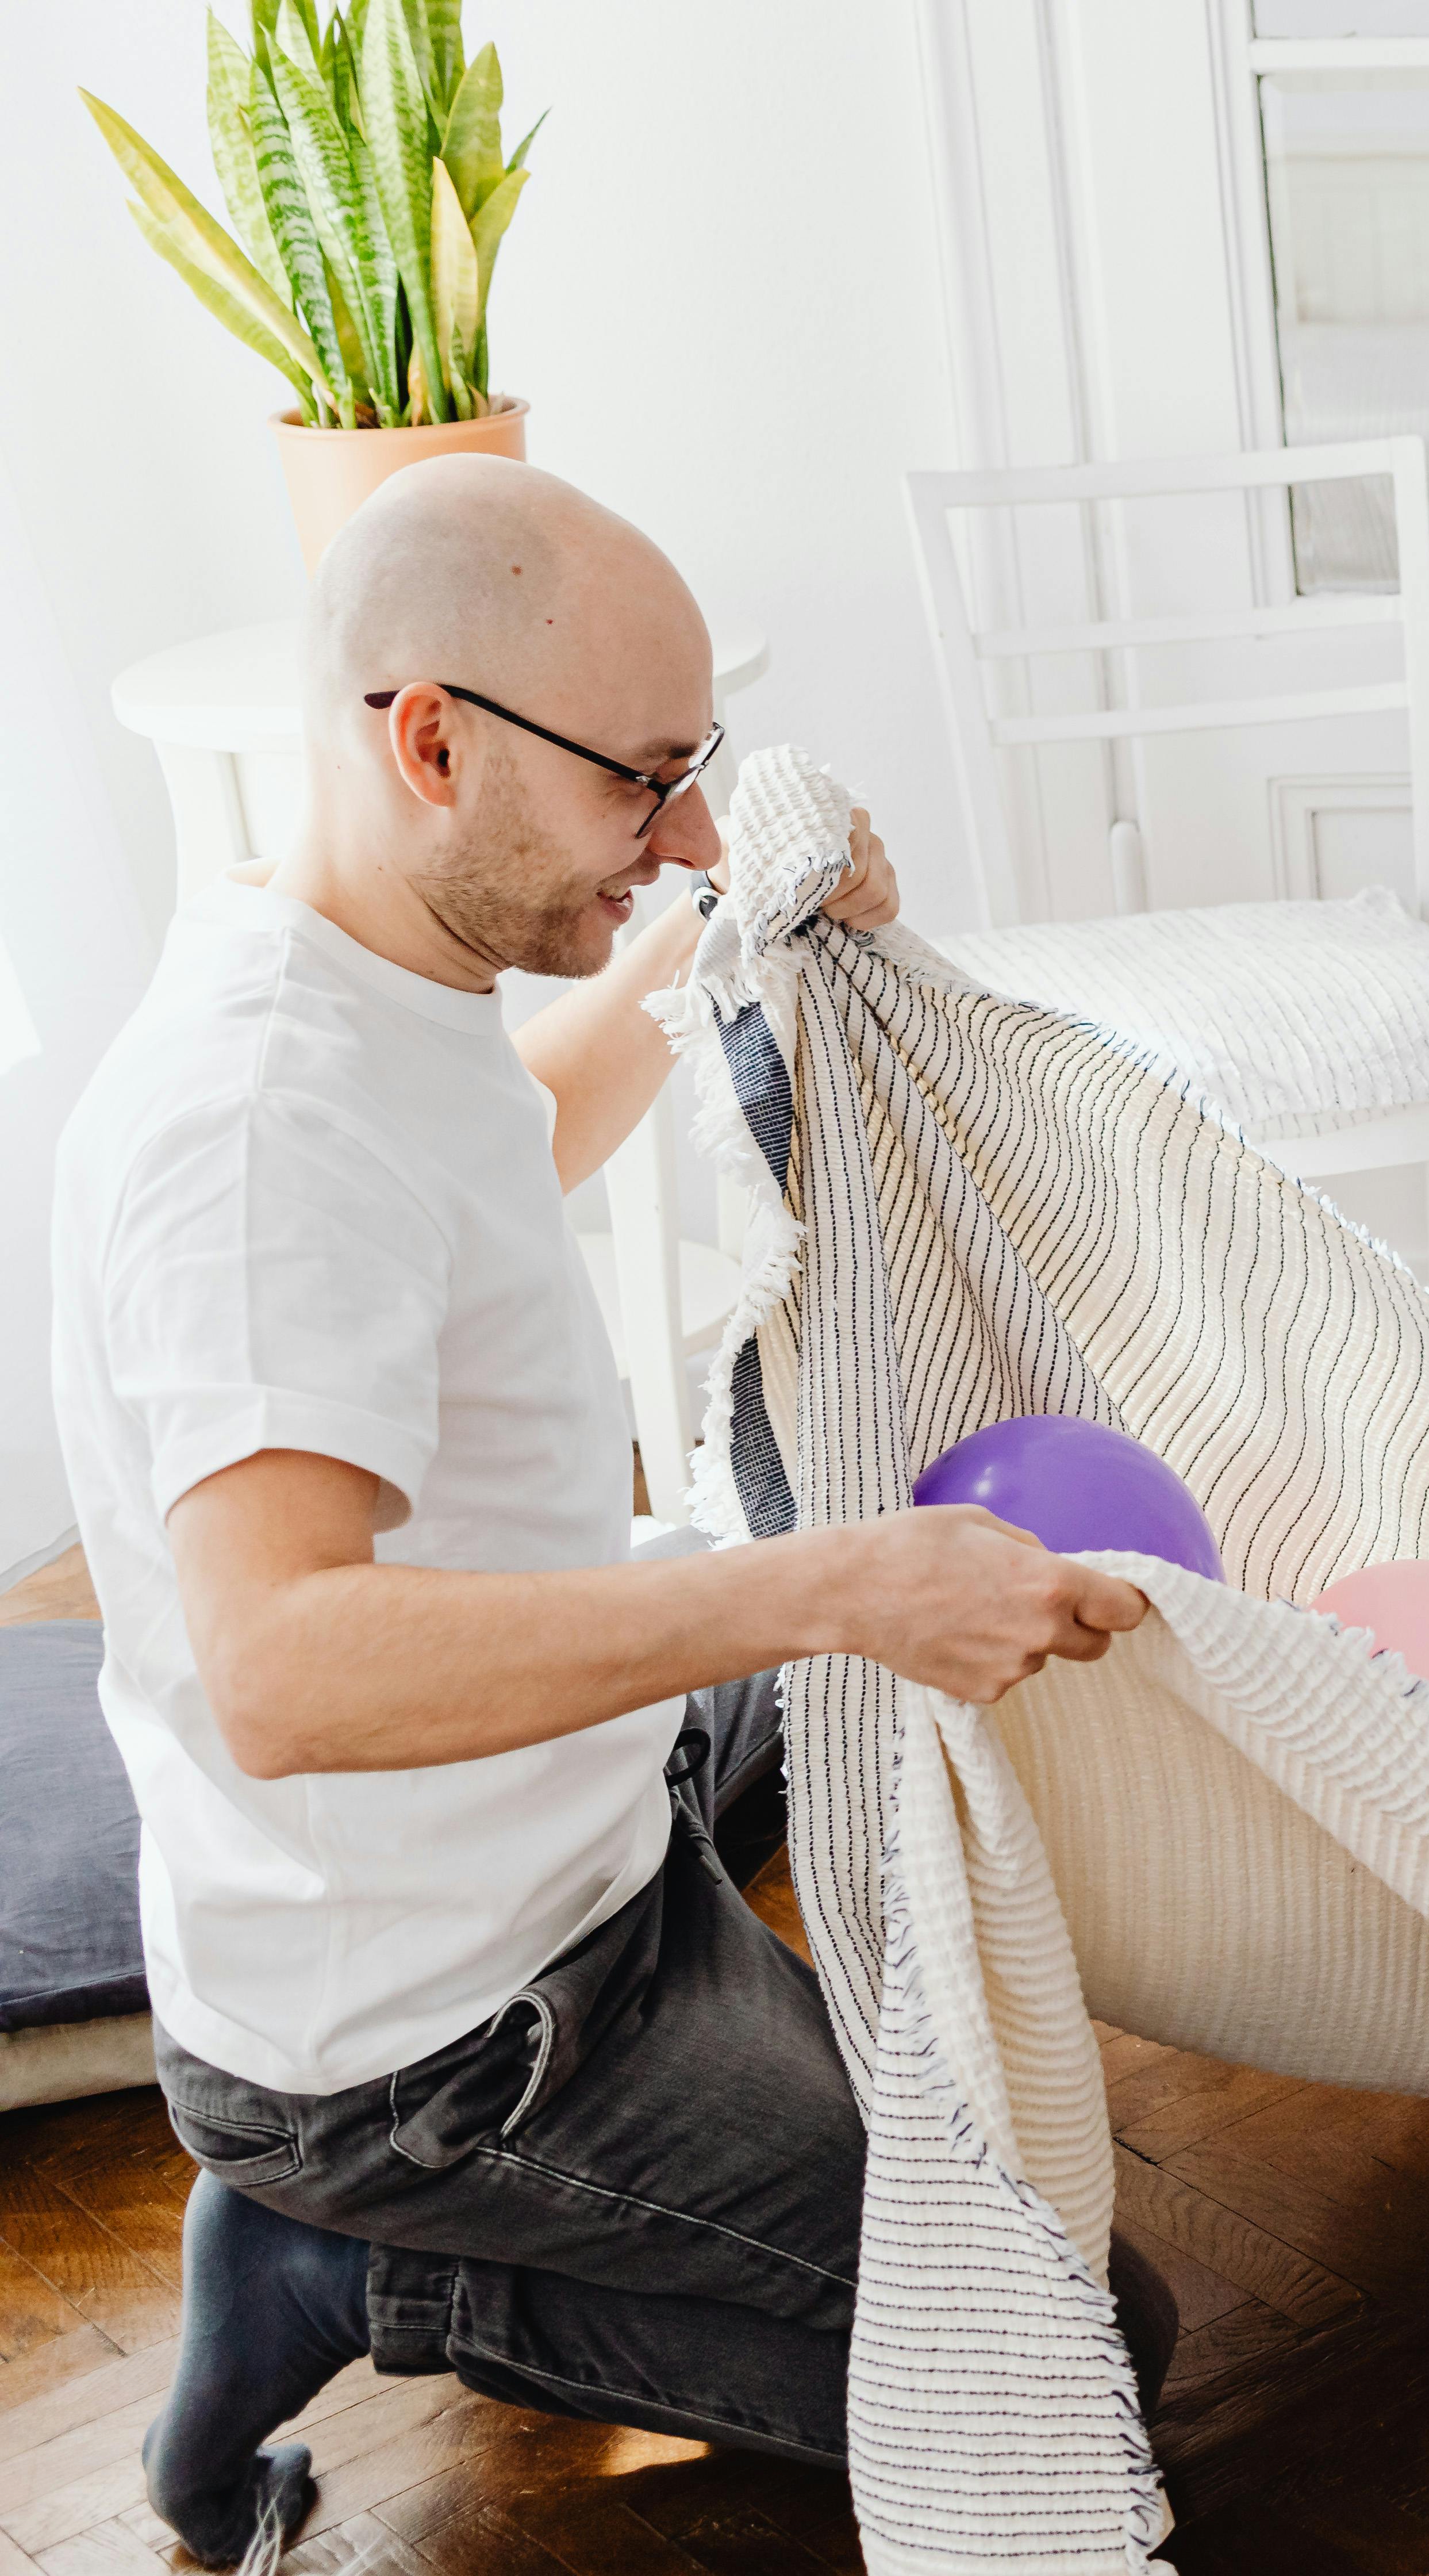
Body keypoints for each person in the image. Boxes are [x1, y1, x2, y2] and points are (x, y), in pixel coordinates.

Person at [51, 455, 1169, 2568]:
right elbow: (279, 1670)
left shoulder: (378, 970)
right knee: (1074, 2362)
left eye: (693, 775)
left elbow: (504, 1147)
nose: (676, 833)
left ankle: (420, 2194)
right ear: (431, 736)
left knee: (808, 1672)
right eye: (640, 784)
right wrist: (831, 1588)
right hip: (439, 2042)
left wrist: (719, 951)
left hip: (568, 1850)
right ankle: (354, 2272)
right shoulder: (256, 1131)